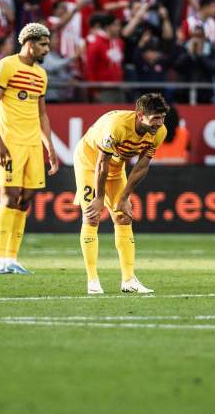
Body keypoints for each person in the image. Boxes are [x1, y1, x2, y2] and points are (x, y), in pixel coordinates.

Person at [73, 93, 169, 295]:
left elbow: (142, 165)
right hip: (90, 163)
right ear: (140, 115)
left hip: (116, 167)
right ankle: (92, 280)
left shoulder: (159, 132)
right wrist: (99, 198)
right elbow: (101, 163)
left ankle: (128, 280)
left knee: (123, 217)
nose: (159, 124)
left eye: (162, 118)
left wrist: (124, 198)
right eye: (155, 119)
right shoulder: (116, 126)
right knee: (92, 217)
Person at [0, 23, 59, 275]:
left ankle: (12, 258)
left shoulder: (41, 75)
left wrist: (49, 146)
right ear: (29, 43)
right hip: (9, 142)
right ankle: (0, 260)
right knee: (9, 196)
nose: (47, 49)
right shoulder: (6, 66)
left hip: (32, 145)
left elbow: (42, 114)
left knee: (25, 200)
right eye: (43, 44)